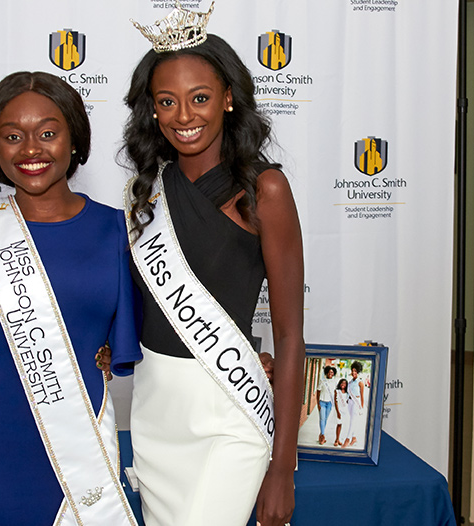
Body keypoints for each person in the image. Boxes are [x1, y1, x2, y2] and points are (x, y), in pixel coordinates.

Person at [0, 71, 142, 525]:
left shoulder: (118, 233)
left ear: (74, 140)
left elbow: (161, 335)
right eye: (12, 136)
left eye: (47, 133)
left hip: (77, 458)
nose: (30, 150)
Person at [124, 4, 306, 525]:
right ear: (152, 111)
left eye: (200, 98)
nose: (184, 116)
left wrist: (282, 469)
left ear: (227, 98)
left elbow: (291, 337)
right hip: (157, 412)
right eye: (167, 102)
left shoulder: (264, 189)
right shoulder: (147, 195)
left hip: (230, 409)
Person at [344, 360, 366, 448]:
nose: (353, 372)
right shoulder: (350, 382)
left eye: (355, 371)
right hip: (349, 402)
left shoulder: (360, 382)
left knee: (353, 421)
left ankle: (347, 439)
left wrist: (362, 407)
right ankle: (354, 438)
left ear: (358, 371)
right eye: (352, 371)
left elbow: (362, 395)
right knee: (352, 420)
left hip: (356, 403)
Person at [316, 365, 338, 445]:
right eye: (329, 372)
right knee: (322, 419)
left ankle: (321, 434)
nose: (330, 373)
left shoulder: (335, 382)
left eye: (332, 372)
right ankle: (322, 436)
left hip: (329, 403)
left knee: (325, 419)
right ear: (326, 372)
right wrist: (318, 403)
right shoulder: (322, 381)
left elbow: (335, 393)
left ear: (333, 373)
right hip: (322, 402)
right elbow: (318, 392)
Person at [334, 378, 350, 447]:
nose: (343, 385)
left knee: (343, 425)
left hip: (345, 410)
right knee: (339, 424)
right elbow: (335, 401)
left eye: (345, 383)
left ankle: (339, 439)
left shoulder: (347, 393)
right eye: (342, 383)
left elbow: (347, 401)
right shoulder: (337, 391)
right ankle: (336, 440)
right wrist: (338, 412)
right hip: (339, 410)